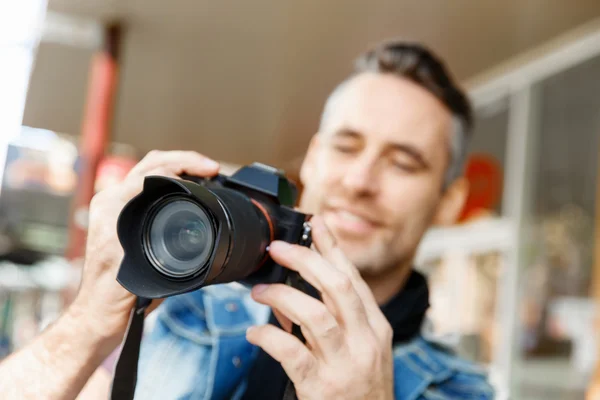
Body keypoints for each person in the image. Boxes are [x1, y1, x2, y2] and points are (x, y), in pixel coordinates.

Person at [0, 40, 495, 399]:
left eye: (403, 163)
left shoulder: (460, 392)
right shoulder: (192, 307)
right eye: (346, 147)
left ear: (450, 202)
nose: (360, 180)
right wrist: (89, 323)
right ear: (315, 158)